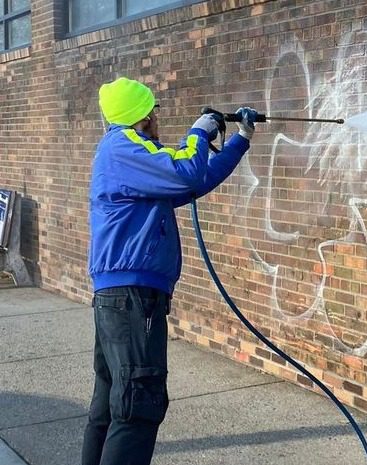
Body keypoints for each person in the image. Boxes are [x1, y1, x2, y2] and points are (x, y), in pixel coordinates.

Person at [82, 76, 257, 465]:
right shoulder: (124, 148)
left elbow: (196, 179)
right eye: (155, 110)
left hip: (123, 298)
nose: (159, 117)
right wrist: (199, 131)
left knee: (113, 405)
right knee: (136, 404)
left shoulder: (132, 155)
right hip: (132, 298)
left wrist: (239, 140)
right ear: (143, 115)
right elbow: (185, 172)